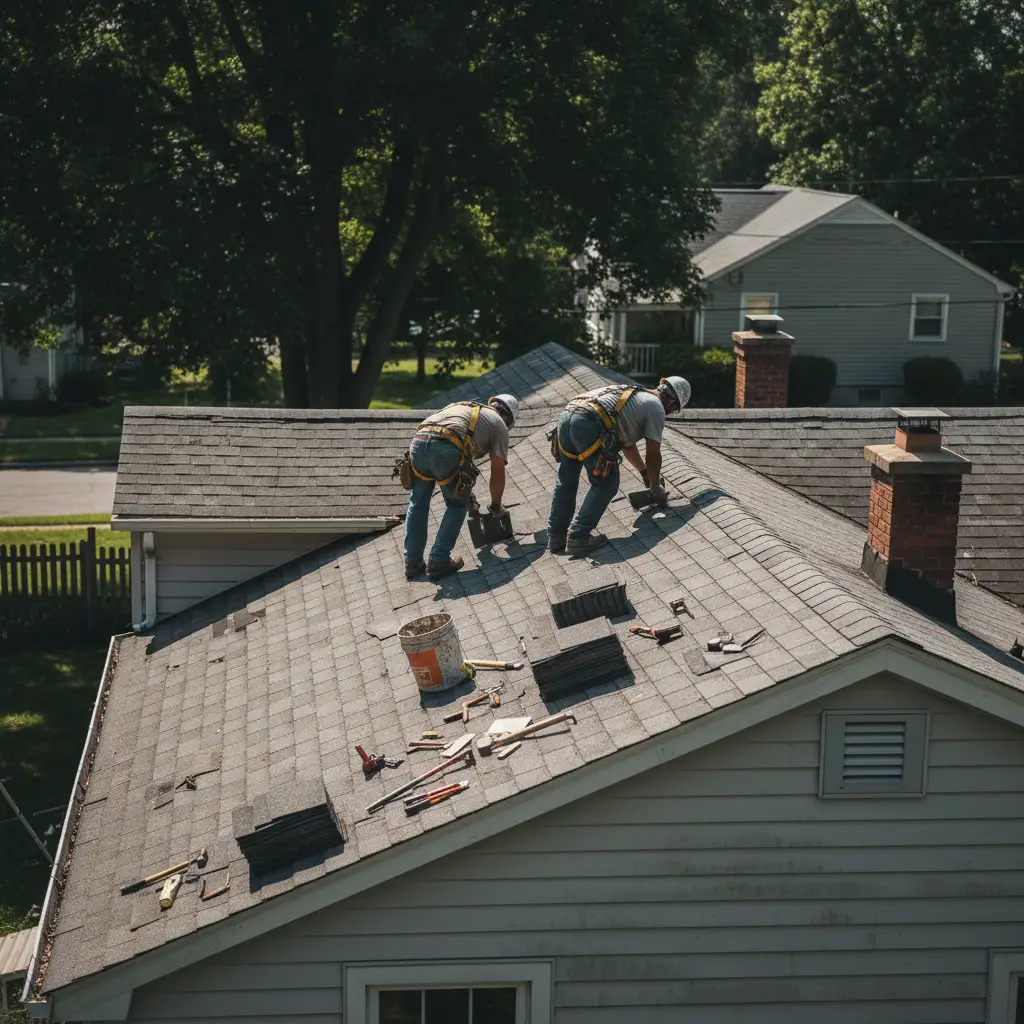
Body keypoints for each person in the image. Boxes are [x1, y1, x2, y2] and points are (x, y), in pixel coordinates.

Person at [547, 376, 691, 555]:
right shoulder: (656, 408)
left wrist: (644, 473)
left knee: (566, 480)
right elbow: (653, 456)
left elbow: (628, 446)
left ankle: (556, 536)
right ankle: (578, 536)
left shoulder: (634, 395)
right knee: (606, 484)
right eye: (674, 410)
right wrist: (655, 489)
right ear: (672, 404)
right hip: (588, 423)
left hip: (567, 417)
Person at [404, 394, 518, 579]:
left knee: (418, 502)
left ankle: (412, 563)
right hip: (444, 446)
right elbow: (497, 471)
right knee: (457, 505)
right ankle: (438, 559)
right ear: (507, 419)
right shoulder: (498, 424)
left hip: (418, 443)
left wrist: (467, 494)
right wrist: (496, 505)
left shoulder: (466, 408)